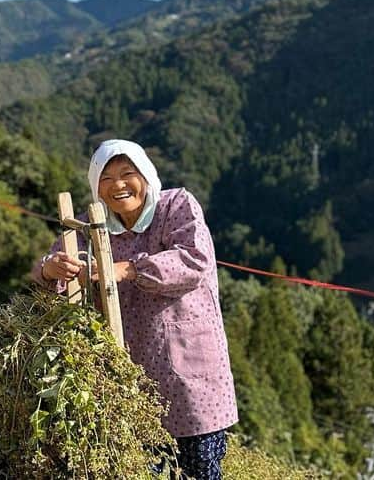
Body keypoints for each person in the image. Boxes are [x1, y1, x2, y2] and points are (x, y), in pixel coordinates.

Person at [32, 139, 238, 480]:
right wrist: (50, 268)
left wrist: (125, 268)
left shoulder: (175, 206)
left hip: (189, 371)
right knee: (142, 469)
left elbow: (194, 260)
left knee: (198, 469)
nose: (118, 185)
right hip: (130, 379)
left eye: (128, 173)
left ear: (146, 175)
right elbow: (52, 271)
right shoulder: (92, 226)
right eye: (106, 178)